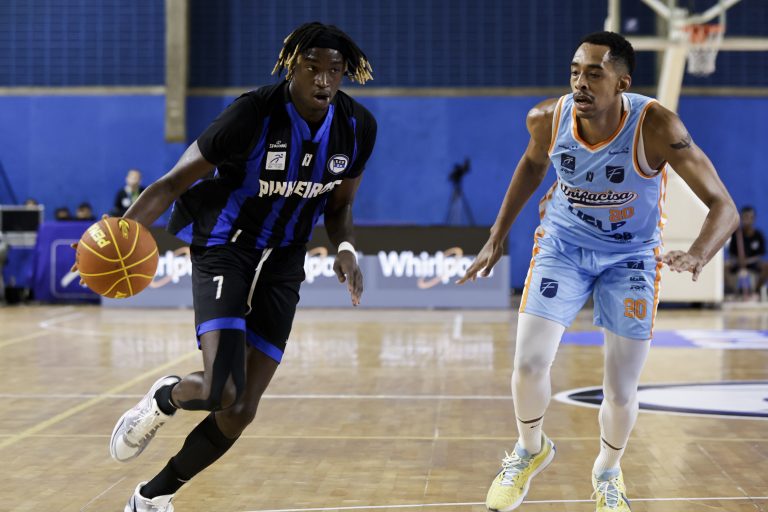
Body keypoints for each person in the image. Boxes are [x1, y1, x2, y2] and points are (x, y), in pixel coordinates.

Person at [91, 22, 376, 512]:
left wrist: (346, 248)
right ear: (292, 67)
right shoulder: (252, 114)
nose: (324, 80)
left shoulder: (356, 127)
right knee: (220, 389)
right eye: (312, 68)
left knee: (240, 410)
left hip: (285, 260)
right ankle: (165, 398)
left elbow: (339, 205)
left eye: (335, 71)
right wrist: (122, 234)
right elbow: (173, 182)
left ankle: (152, 496)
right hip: (226, 246)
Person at [458, 31, 738, 512]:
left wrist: (697, 254)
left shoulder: (656, 126)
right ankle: (529, 450)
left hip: (631, 257)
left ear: (622, 83)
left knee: (622, 389)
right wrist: (496, 235)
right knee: (528, 364)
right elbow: (532, 167)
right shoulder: (547, 118)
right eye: (575, 72)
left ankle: (608, 472)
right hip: (562, 247)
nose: (580, 83)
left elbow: (724, 207)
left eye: (594, 73)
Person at [725, 205, 767, 299]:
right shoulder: (736, 234)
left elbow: (760, 255)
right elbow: (731, 253)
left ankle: (756, 291)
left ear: (753, 219)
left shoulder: (758, 235)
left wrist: (747, 261)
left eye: (749, 217)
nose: (747, 220)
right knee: (725, 266)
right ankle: (732, 292)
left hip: (753, 264)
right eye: (745, 217)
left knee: (766, 266)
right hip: (738, 263)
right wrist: (737, 260)